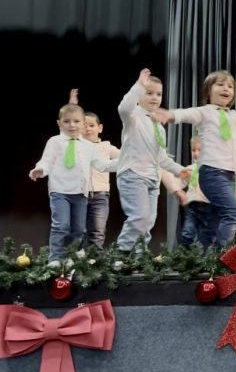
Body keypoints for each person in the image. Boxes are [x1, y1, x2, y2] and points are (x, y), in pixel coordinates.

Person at [153, 70, 236, 248]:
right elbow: (185, 114)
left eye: (230, 86)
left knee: (214, 220)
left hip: (230, 176)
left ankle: (202, 255)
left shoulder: (234, 117)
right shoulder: (205, 112)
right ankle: (220, 255)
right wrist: (169, 115)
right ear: (208, 90)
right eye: (220, 85)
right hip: (211, 172)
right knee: (232, 213)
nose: (226, 89)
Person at [29, 103, 118, 263]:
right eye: (67, 121)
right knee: (61, 226)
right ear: (59, 123)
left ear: (83, 123)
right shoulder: (55, 141)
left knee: (78, 229)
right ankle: (56, 259)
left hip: (80, 194)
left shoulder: (88, 146)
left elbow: (102, 165)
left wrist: (125, 162)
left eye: (76, 121)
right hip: (59, 192)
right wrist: (40, 169)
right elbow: (47, 160)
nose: (72, 125)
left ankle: (71, 258)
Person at [116, 69, 189, 255]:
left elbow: (162, 158)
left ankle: (138, 258)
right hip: (133, 174)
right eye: (149, 93)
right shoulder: (133, 116)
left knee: (148, 222)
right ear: (140, 95)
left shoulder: (159, 127)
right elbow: (124, 108)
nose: (155, 97)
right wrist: (139, 86)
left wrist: (180, 170)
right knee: (139, 217)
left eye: (158, 94)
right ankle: (121, 253)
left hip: (152, 179)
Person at [68, 89, 121, 251]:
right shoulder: (75, 145)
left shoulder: (106, 147)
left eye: (91, 125)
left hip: (100, 196)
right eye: (84, 126)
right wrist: (72, 107)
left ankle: (95, 262)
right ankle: (74, 261)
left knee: (97, 231)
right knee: (77, 231)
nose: (88, 129)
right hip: (79, 194)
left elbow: (126, 157)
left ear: (100, 128)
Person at [175, 136, 216, 248]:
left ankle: (203, 257)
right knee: (187, 233)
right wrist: (179, 189)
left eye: (199, 150)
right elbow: (178, 184)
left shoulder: (212, 169)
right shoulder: (190, 169)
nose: (196, 153)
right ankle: (185, 255)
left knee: (206, 237)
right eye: (193, 150)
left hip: (208, 206)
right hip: (192, 207)